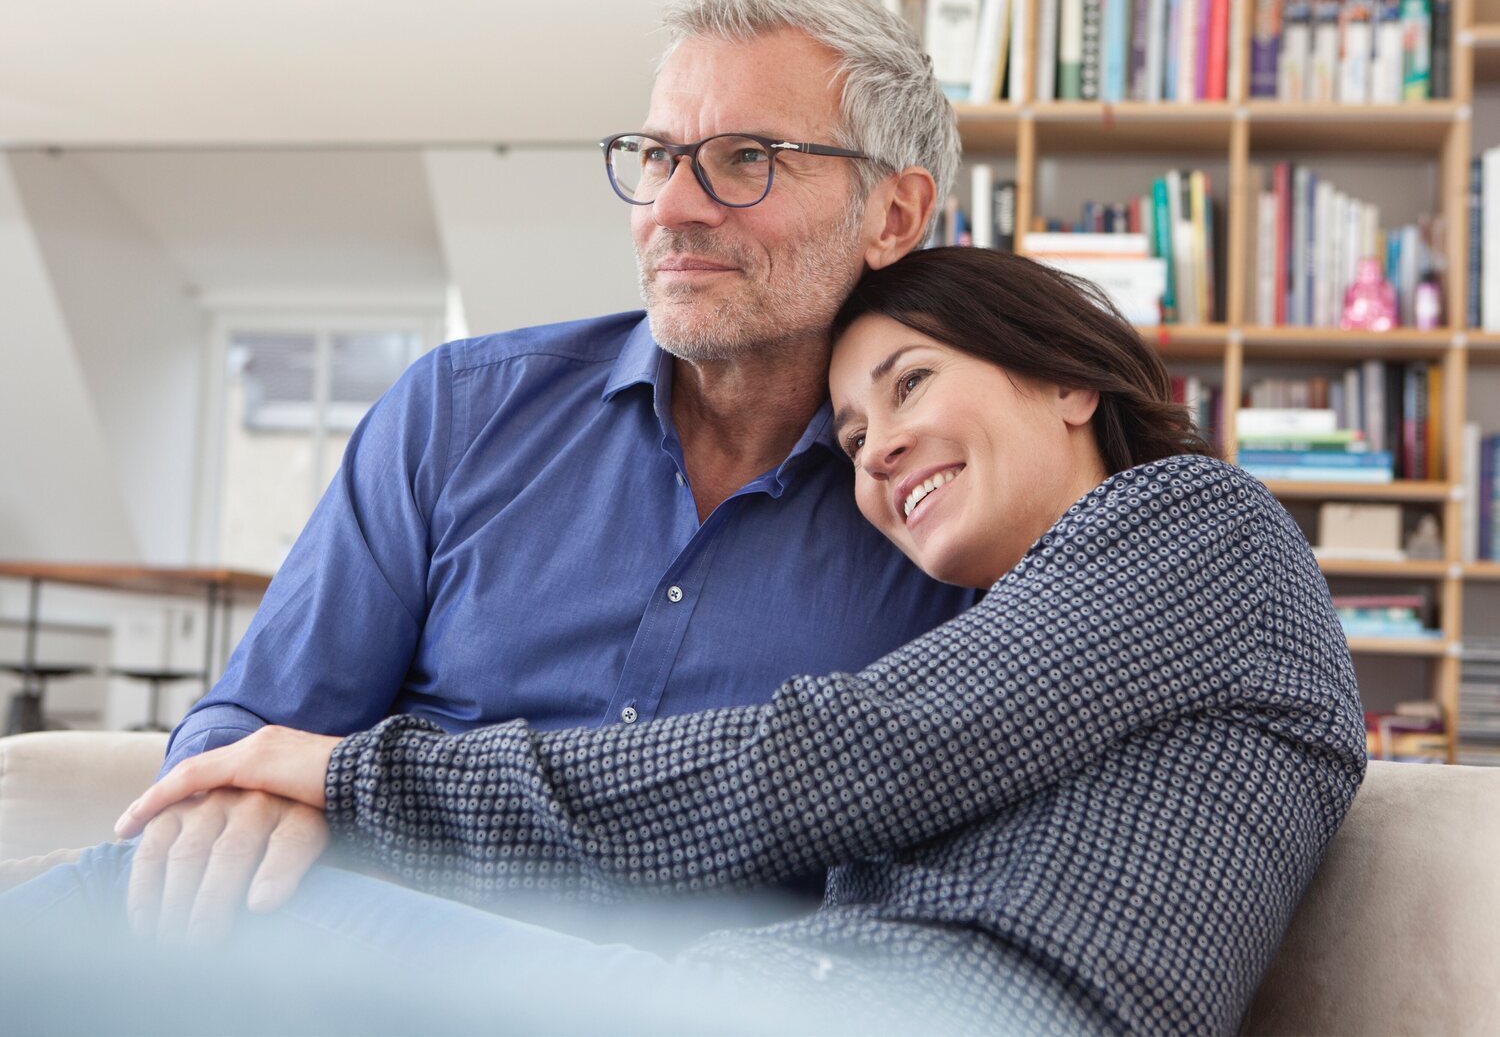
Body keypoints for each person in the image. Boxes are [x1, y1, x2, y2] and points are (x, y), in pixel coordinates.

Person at [98, 247, 1368, 1035]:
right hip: (805, 996)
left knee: (124, 919)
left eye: (912, 384)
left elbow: (817, 764)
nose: (879, 454)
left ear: (1069, 379)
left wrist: (345, 776)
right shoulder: (1053, 612)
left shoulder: (1196, 525)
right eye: (856, 439)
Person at [96, 0, 977, 941]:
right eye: (655, 155)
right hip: (362, 953)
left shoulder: (952, 513)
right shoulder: (456, 412)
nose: (672, 205)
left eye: (748, 159)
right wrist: (238, 799)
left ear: (894, 215)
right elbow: (252, 723)